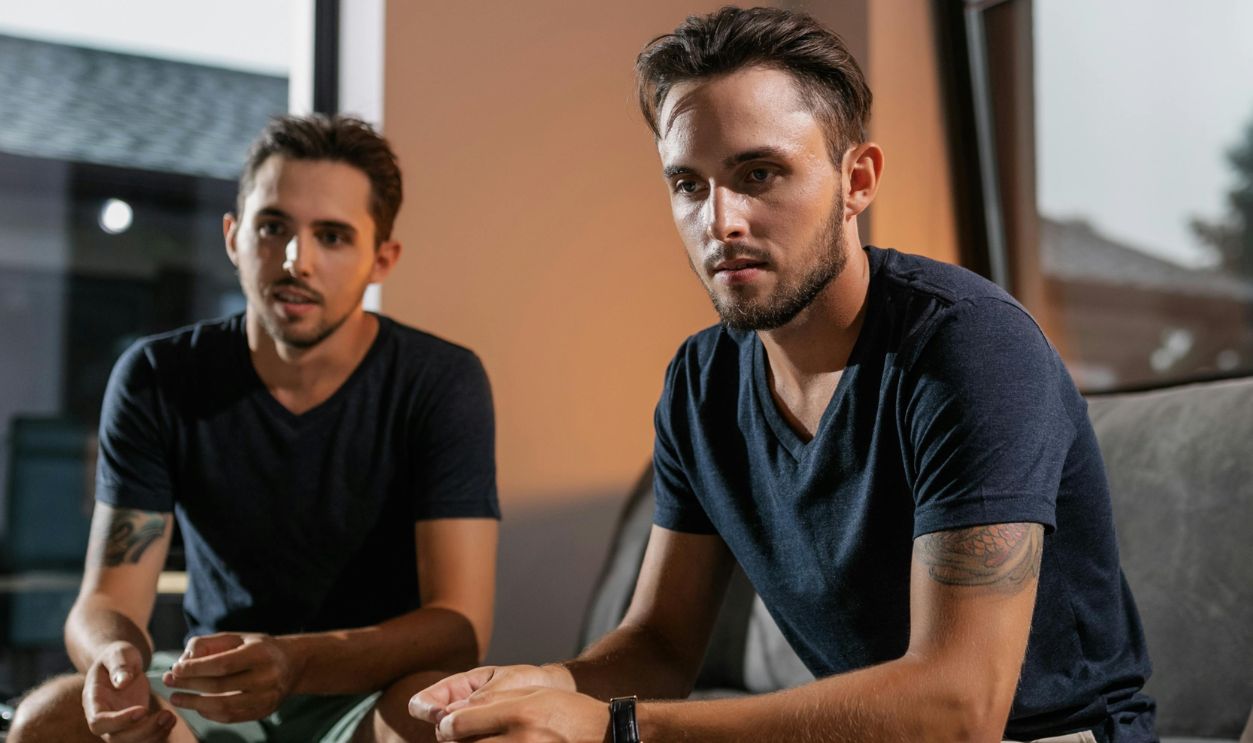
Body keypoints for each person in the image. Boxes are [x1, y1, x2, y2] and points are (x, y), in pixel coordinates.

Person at [409, 6, 1155, 742]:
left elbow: (957, 710)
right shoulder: (701, 382)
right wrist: (539, 686)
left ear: (856, 179)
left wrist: (617, 728)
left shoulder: (970, 347)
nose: (720, 220)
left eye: (758, 173)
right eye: (688, 185)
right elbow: (659, 647)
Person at [10, 114, 499, 742]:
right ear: (233, 237)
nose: (297, 261)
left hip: (369, 694)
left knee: (444, 724)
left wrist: (294, 663)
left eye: (332, 236)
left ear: (382, 259)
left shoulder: (439, 379)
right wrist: (114, 661)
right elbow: (104, 602)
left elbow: (458, 627)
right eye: (273, 228)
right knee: (44, 723)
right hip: (208, 687)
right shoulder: (157, 375)